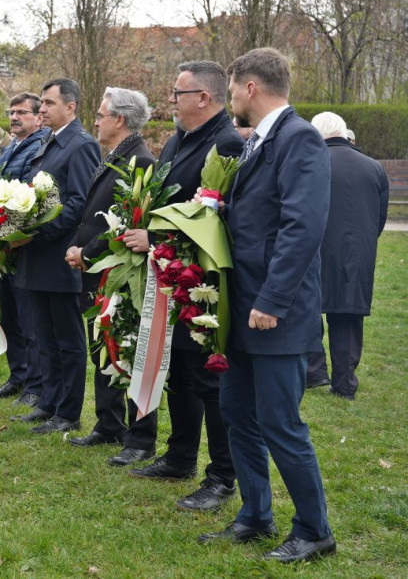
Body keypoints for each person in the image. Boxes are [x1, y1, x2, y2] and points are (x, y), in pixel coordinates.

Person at [198, 48, 336, 563]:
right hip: (243, 309)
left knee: (280, 422)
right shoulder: (259, 141)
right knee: (237, 412)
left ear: (250, 88)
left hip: (274, 312)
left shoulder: (298, 139)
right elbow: (262, 215)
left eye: (233, 88)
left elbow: (302, 227)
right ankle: (255, 514)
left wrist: (273, 299)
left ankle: (314, 530)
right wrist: (218, 208)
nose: (232, 98)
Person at [121, 61, 244, 511]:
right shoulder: (177, 140)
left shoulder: (227, 144)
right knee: (181, 373)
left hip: (204, 282)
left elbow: (212, 218)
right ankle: (180, 457)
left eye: (178, 93)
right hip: (169, 274)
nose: (171, 100)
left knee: (209, 379)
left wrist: (153, 238)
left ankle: (222, 476)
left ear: (203, 99)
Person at [65, 87, 158, 466]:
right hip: (96, 272)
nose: (96, 121)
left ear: (120, 120)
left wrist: (86, 252)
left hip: (120, 274)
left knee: (128, 352)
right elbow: (94, 214)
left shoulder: (140, 161)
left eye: (101, 115)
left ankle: (141, 438)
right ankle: (109, 424)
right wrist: (77, 246)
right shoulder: (116, 156)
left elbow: (127, 223)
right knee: (102, 349)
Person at [11, 78, 100, 433]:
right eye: (42, 104)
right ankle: (48, 402)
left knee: (66, 340)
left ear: (71, 107)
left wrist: (34, 232)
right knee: (42, 336)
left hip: (59, 257)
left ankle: (68, 412)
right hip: (35, 256)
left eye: (48, 103)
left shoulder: (81, 145)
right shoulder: (48, 141)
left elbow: (80, 203)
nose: (42, 109)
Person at [305, 112, 388, 400]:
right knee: (348, 315)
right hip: (358, 252)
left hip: (315, 247)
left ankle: (314, 371)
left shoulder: (312, 162)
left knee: (309, 306)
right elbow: (380, 216)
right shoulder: (374, 167)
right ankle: (344, 383)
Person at [0, 93, 49, 406]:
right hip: (4, 242)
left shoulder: (39, 147)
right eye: (11, 111)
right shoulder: (12, 146)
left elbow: (27, 189)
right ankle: (18, 375)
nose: (14, 117)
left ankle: (35, 386)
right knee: (10, 315)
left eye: (22, 112)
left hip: (23, 243)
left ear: (39, 117)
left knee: (28, 320)